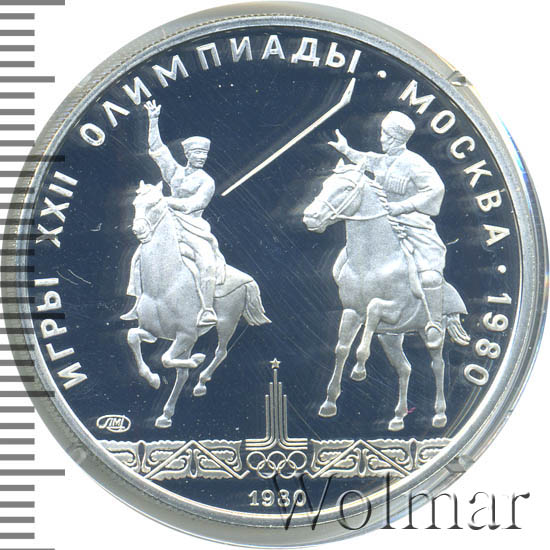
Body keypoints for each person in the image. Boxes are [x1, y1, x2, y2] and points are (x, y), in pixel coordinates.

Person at [328, 111, 447, 349]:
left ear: (396, 138)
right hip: (382, 220)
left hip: (412, 224)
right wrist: (345, 149)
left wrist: (403, 206)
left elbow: (435, 190)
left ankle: (435, 323)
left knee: (429, 275)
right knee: (341, 265)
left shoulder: (414, 163)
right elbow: (365, 159)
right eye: (383, 134)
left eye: (385, 134)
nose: (381, 138)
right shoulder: (384, 160)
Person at [122, 100, 225, 327]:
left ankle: (207, 310)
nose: (202, 157)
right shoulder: (175, 173)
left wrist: (163, 200)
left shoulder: (206, 181)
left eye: (204, 154)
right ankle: (138, 303)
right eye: (197, 153)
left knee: (207, 262)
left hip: (194, 228)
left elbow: (192, 205)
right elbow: (157, 150)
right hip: (169, 224)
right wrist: (153, 120)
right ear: (187, 154)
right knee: (138, 257)